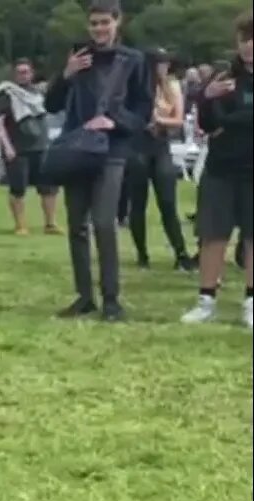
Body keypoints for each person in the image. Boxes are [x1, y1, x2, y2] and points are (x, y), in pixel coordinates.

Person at [43, 0, 151, 322]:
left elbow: (143, 110)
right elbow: (51, 105)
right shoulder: (78, 57)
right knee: (77, 225)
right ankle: (84, 297)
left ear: (118, 22)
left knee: (104, 223)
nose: (99, 29)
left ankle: (112, 299)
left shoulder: (134, 60)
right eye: (94, 23)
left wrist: (115, 123)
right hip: (77, 148)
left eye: (105, 22)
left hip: (112, 151)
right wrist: (65, 75)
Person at [181, 10, 253, 328]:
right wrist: (207, 99)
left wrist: (231, 120)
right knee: (213, 236)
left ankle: (251, 302)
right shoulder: (224, 77)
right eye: (245, 39)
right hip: (221, 168)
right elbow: (209, 124)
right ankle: (206, 300)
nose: (249, 46)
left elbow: (232, 120)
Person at [124, 49, 193, 270]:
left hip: (160, 144)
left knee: (168, 201)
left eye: (165, 64)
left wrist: (159, 120)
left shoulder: (171, 87)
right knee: (138, 203)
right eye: (159, 64)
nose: (163, 68)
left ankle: (181, 252)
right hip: (137, 145)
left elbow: (179, 119)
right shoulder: (134, 87)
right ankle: (142, 253)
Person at [0, 58, 60, 234]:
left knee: (49, 187)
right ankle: (21, 225)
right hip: (18, 148)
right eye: (20, 72)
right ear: (14, 74)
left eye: (26, 71)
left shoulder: (39, 94)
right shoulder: (5, 94)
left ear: (32, 73)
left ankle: (50, 224)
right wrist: (7, 147)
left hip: (42, 146)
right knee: (18, 188)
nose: (23, 75)